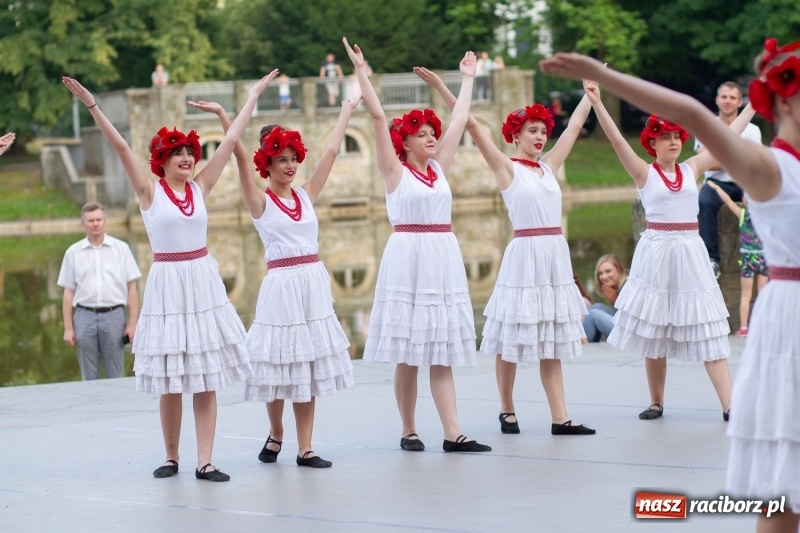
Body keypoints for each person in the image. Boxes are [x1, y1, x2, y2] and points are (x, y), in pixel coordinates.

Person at [540, 35, 800, 533]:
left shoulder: (694, 168)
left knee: (707, 328)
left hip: (689, 251)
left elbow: (725, 130)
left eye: (678, 137)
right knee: (655, 332)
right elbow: (634, 135)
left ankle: (729, 404)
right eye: (667, 137)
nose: (675, 142)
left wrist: (751, 104)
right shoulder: (650, 173)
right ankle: (657, 400)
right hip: (661, 252)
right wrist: (599, 95)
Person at [61, 69, 277, 482]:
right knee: (171, 379)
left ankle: (205, 461)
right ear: (162, 161)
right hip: (167, 285)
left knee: (206, 376)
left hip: (201, 283)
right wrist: (92, 105)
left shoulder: (201, 187)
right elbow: (121, 146)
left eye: (189, 152)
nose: (186, 158)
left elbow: (231, 141)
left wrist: (252, 96)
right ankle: (172, 456)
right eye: (177, 153)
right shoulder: (150, 192)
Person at [415, 66, 597, 437]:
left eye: (543, 131)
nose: (540, 137)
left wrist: (589, 95)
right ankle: (506, 407)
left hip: (553, 254)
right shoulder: (506, 167)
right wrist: (443, 86)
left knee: (552, 336)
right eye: (533, 131)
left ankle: (560, 416)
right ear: (515, 134)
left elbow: (575, 127)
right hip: (525, 253)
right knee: (512, 334)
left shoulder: (549, 167)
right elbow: (470, 125)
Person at [188, 89, 360, 469]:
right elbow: (237, 154)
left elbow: (331, 151)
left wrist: (347, 109)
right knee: (277, 363)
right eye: (282, 159)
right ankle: (276, 431)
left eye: (293, 158)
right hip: (281, 287)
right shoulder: (260, 202)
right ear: (267, 163)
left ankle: (306, 447)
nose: (290, 165)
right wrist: (223, 115)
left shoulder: (306, 195)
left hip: (311, 286)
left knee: (307, 364)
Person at [343, 37, 490, 453]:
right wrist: (361, 71)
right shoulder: (394, 171)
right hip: (408, 256)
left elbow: (460, 119)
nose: (430, 137)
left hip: (441, 255)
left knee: (441, 349)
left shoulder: (439, 168)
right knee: (408, 352)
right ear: (404, 143)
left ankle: (453, 432)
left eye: (431, 133)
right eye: (421, 134)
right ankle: (408, 429)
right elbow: (376, 116)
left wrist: (466, 79)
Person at [58, 202, 141, 380]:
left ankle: (115, 399)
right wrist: (68, 328)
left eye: (98, 220)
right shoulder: (73, 253)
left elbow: (132, 289)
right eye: (90, 220)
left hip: (114, 317)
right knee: (89, 377)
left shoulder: (121, 249)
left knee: (115, 375)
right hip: (84, 317)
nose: (95, 224)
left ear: (105, 221)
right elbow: (68, 292)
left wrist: (133, 325)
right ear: (83, 224)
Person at [695, 82, 762, 278]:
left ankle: (765, 254)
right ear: (717, 100)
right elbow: (704, 161)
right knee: (704, 201)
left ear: (740, 102)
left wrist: (719, 157)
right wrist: (737, 158)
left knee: (764, 202)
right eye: (724, 96)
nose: (728, 101)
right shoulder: (706, 126)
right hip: (716, 183)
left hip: (745, 182)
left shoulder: (753, 130)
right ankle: (711, 259)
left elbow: (753, 162)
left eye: (733, 97)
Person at [707, 181, 769, 337]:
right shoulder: (766, 217)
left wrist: (716, 187)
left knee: (746, 295)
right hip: (763, 259)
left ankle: (744, 327)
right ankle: (763, 326)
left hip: (748, 260)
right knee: (763, 295)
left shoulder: (743, 215)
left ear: (745, 201)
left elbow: (728, 201)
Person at [582, 254, 627, 343]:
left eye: (608, 271)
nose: (604, 277)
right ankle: (589, 342)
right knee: (596, 307)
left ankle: (583, 344)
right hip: (624, 326)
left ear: (619, 270)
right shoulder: (616, 286)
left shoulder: (628, 285)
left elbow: (631, 319)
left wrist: (615, 299)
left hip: (631, 336)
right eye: (600, 273)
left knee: (592, 314)